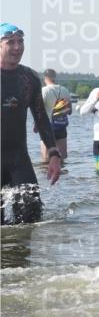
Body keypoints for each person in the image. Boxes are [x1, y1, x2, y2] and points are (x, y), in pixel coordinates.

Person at [1, 24, 62, 225]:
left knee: (32, 217)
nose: (17, 47)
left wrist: (53, 153)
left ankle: (23, 256)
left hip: (19, 158)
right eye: (10, 42)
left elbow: (41, 117)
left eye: (20, 42)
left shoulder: (29, 78)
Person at [40, 69, 72, 163]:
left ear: (45, 78)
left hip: (47, 127)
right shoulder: (64, 90)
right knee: (62, 157)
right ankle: (62, 177)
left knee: (46, 159)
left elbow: (39, 111)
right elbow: (70, 111)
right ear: (55, 77)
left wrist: (36, 125)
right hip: (61, 126)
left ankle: (47, 176)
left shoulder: (44, 91)